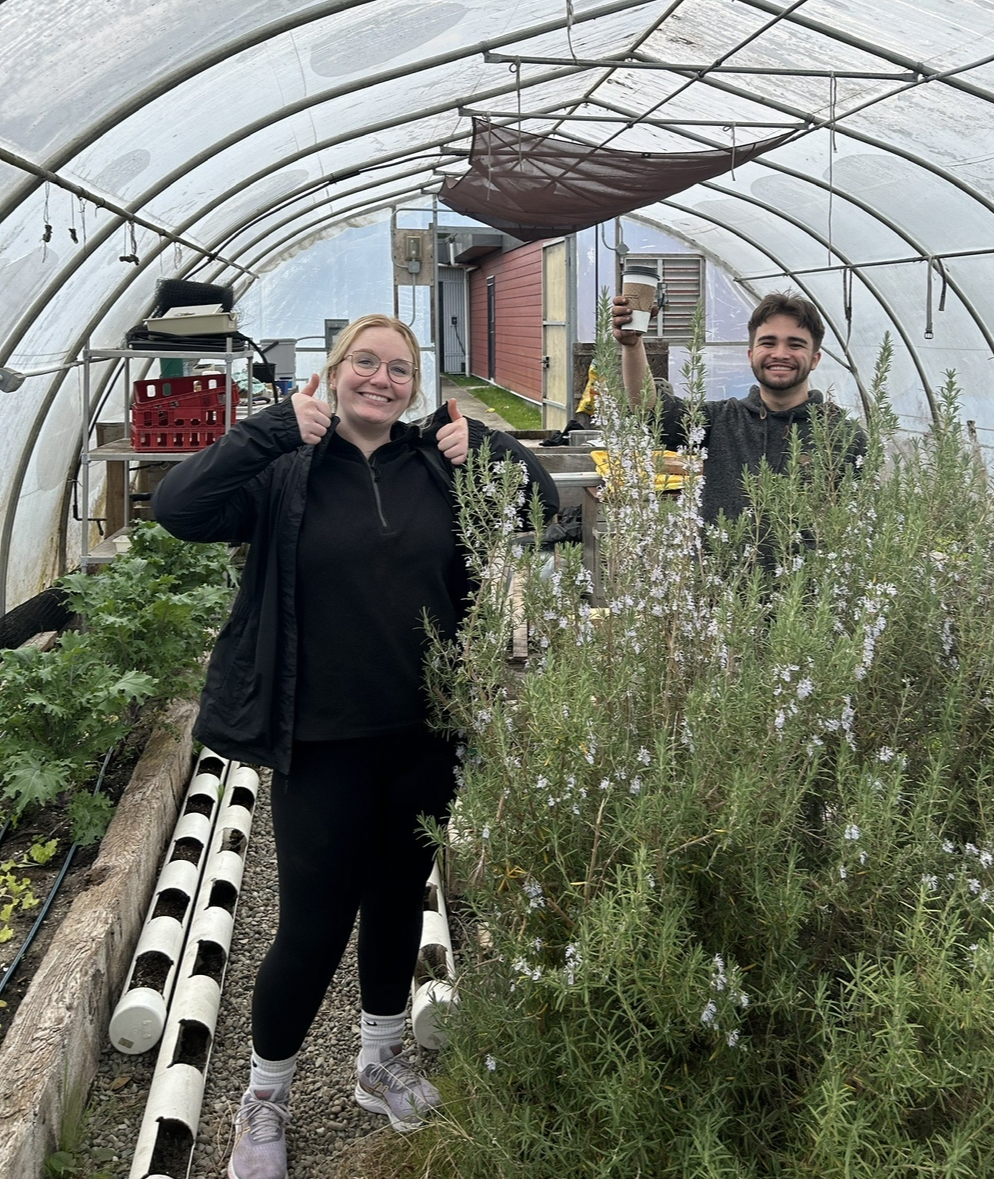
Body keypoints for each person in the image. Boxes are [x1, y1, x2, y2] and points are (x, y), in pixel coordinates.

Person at [152, 314, 558, 1179]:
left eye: (398, 369)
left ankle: (378, 1061)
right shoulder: (285, 469)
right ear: (334, 374)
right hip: (320, 737)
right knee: (310, 923)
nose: (381, 379)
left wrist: (482, 446)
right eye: (363, 364)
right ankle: (263, 1098)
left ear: (415, 385)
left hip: (423, 731)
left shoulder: (433, 467)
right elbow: (176, 509)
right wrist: (265, 429)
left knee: (398, 899)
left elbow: (544, 507)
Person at [612, 291, 866, 524]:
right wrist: (632, 345)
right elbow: (650, 411)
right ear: (751, 355)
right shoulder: (721, 420)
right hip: (722, 573)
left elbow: (861, 522)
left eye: (795, 345)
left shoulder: (844, 437)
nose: (780, 353)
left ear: (815, 359)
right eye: (768, 343)